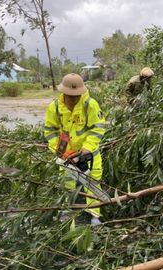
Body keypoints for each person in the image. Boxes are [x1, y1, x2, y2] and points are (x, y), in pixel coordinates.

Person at [44, 73, 106, 225]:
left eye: (76, 95)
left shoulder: (90, 105)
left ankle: (94, 216)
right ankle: (72, 212)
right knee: (69, 184)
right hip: (67, 154)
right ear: (63, 92)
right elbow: (50, 131)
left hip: (89, 154)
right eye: (70, 95)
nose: (73, 98)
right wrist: (62, 152)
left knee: (92, 184)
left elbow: (97, 129)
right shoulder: (55, 107)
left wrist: (85, 150)